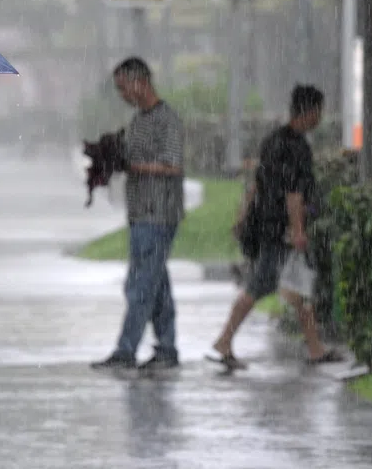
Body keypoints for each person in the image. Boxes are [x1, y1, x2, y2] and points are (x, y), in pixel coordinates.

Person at [210, 84, 342, 369]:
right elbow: (294, 193)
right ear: (309, 112)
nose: (320, 118)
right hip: (280, 229)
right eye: (319, 111)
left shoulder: (272, 140)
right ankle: (224, 340)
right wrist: (297, 230)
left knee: (298, 287)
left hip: (266, 224)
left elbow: (256, 182)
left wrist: (243, 215)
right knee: (260, 285)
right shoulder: (297, 148)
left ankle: (316, 349)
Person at [92, 57, 185, 372]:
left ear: (140, 82)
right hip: (139, 214)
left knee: (140, 285)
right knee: (157, 286)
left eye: (123, 87)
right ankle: (167, 348)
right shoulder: (137, 121)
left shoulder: (167, 120)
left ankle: (126, 350)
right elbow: (128, 155)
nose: (122, 95)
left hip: (158, 214)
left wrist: (133, 166)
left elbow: (173, 165)